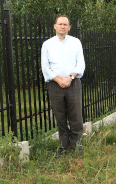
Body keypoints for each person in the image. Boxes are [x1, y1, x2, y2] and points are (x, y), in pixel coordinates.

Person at [41, 15, 85, 153]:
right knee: (60, 116)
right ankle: (64, 147)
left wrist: (70, 77)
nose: (62, 26)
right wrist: (58, 80)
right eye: (60, 24)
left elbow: (81, 63)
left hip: (73, 82)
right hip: (55, 85)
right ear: (55, 26)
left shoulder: (76, 42)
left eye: (65, 24)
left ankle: (77, 145)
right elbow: (45, 66)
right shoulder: (47, 44)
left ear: (69, 27)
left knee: (76, 116)